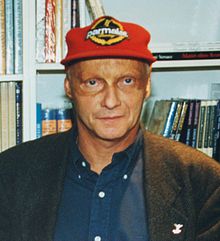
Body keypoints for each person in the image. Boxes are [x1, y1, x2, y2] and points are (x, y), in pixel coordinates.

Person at [0, 15, 219, 241]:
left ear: (146, 86)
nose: (111, 101)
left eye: (127, 81)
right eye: (93, 82)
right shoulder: (11, 175)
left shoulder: (201, 182)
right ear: (69, 87)